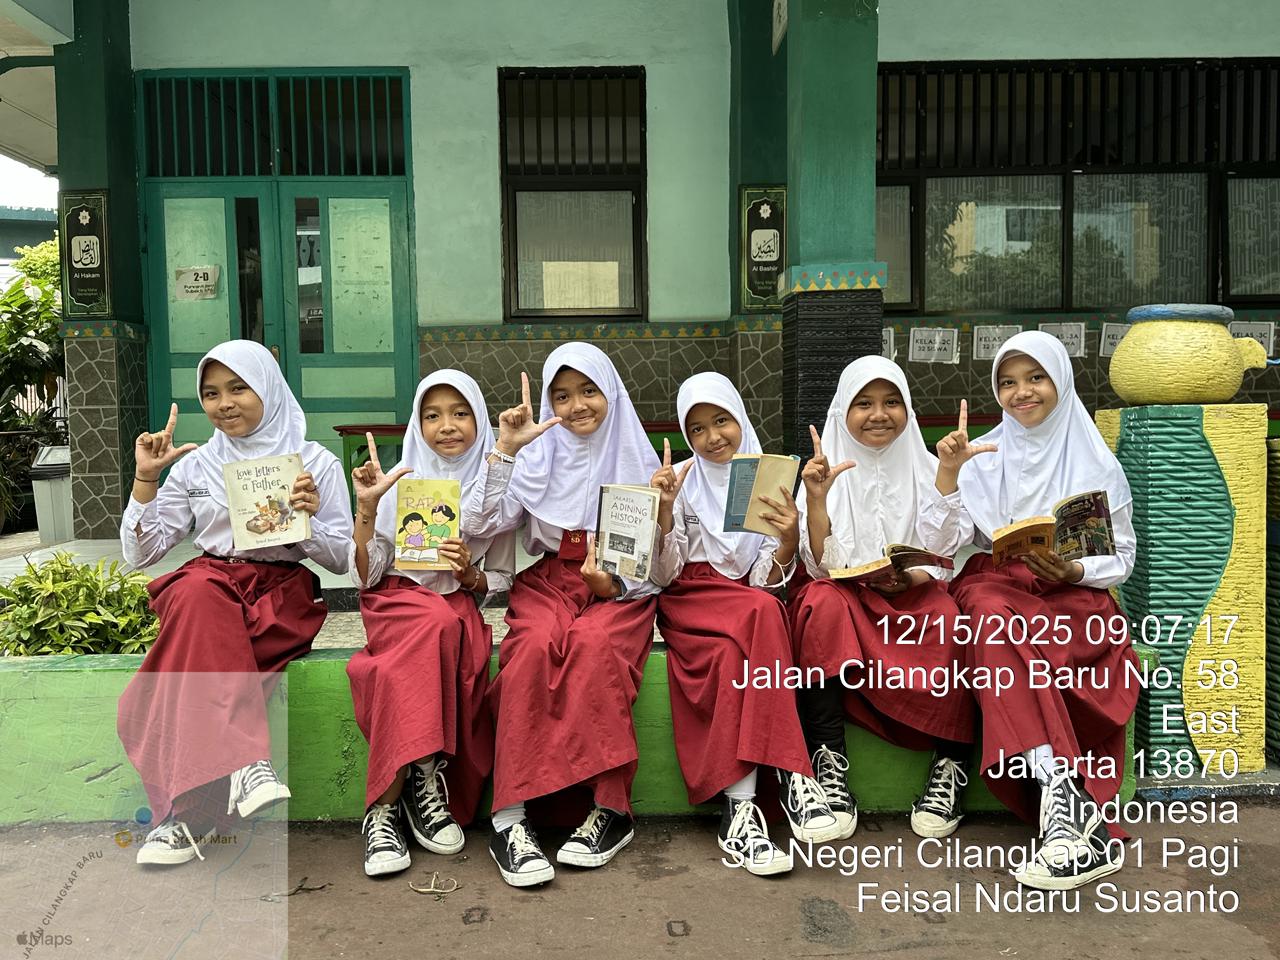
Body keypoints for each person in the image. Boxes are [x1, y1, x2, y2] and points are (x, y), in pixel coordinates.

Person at [116, 340, 351, 866]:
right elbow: (141, 554)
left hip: (279, 594)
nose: (224, 403)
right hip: (212, 586)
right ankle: (247, 764)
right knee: (197, 592)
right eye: (211, 393)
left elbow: (340, 560)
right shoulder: (197, 465)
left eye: (238, 388)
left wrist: (309, 523)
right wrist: (147, 479)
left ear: (268, 387)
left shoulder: (315, 462)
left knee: (188, 671)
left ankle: (183, 820)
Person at [919, 330, 1137, 891]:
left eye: (1036, 377)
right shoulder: (984, 457)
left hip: (1073, 599)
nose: (1022, 392)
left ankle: (1064, 807)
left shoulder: (1095, 462)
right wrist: (949, 475)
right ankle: (1063, 796)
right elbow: (941, 547)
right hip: (1000, 589)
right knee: (988, 610)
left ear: (1060, 381)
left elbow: (1121, 558)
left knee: (996, 622)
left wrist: (1073, 571)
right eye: (1008, 382)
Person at [462, 343, 659, 888]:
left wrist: (615, 584)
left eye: (588, 391)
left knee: (595, 649)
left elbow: (658, 564)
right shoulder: (536, 457)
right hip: (550, 581)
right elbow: (478, 525)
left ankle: (610, 810)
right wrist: (506, 449)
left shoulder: (641, 462)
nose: (577, 406)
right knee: (528, 652)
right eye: (563, 396)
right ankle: (510, 817)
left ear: (610, 392)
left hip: (619, 586)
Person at [648, 372, 842, 877]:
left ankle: (740, 813)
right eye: (697, 429)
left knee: (740, 650)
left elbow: (762, 580)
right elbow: (663, 575)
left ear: (741, 418)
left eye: (722, 421)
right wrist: (664, 514)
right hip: (692, 600)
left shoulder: (768, 478)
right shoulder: (680, 482)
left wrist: (787, 539)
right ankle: (793, 772)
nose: (713, 437)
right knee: (764, 612)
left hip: (744, 610)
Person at [790, 356, 976, 843]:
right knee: (819, 602)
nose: (879, 415)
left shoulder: (931, 466)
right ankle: (827, 761)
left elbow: (942, 552)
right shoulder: (820, 471)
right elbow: (820, 566)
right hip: (850, 598)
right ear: (842, 412)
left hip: (912, 597)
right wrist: (816, 498)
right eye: (864, 404)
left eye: (892, 402)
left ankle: (950, 762)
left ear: (908, 410)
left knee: (951, 614)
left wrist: (948, 476)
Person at [346, 371, 514, 877]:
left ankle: (388, 804)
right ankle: (418, 779)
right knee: (435, 621)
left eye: (461, 414)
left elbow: (501, 579)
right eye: (432, 415)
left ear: (480, 420)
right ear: (417, 424)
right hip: (396, 601)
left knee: (436, 627)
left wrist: (469, 575)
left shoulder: (497, 491)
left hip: (456, 607)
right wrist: (367, 510)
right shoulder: (399, 479)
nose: (447, 426)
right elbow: (368, 574)